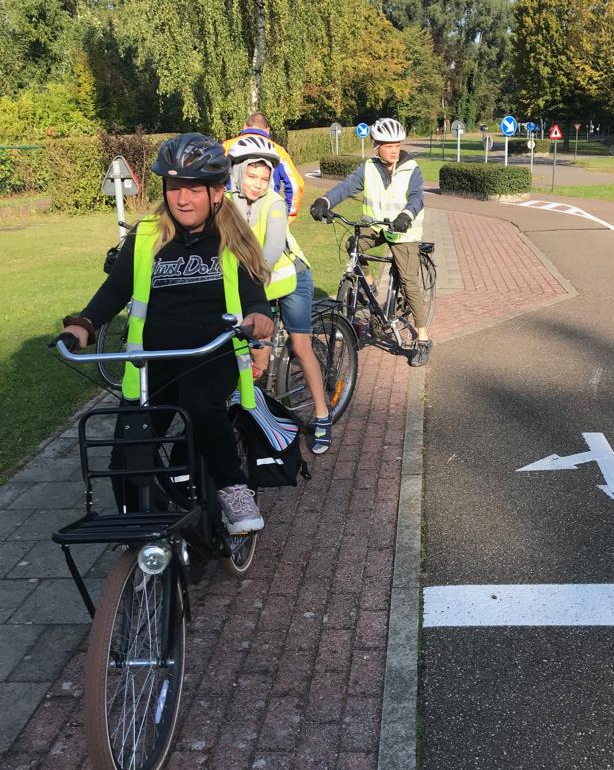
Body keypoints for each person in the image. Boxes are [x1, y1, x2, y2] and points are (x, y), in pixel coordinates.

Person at [57, 133, 274, 535]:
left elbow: (254, 298)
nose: (183, 199)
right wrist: (84, 323)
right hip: (151, 359)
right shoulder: (146, 236)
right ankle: (134, 530)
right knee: (125, 452)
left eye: (194, 188)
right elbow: (115, 290)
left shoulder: (231, 239)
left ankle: (232, 487)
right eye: (175, 188)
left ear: (216, 192)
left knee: (201, 406)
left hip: (211, 354)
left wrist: (259, 317)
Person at [228, 135, 333, 454]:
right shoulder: (226, 202)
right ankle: (256, 411)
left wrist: (254, 273)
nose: (258, 184)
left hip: (290, 278)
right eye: (251, 176)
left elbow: (272, 248)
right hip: (257, 284)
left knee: (300, 345)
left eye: (264, 178)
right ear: (238, 172)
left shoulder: (273, 202)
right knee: (251, 349)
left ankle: (322, 414)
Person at [310, 117, 432, 368]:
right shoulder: (368, 168)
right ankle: (369, 284)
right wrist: (325, 201)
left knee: (409, 283)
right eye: (389, 145)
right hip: (376, 228)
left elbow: (417, 197)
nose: (395, 149)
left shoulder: (412, 169)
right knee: (352, 245)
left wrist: (405, 216)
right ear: (377, 146)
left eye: (397, 144)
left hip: (403, 231)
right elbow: (345, 188)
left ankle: (423, 338)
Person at [224, 112, 304, 223]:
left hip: (232, 214)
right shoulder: (278, 151)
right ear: (268, 130)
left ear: (244, 126)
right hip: (267, 214)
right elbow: (296, 184)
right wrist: (289, 215)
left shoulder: (226, 146)